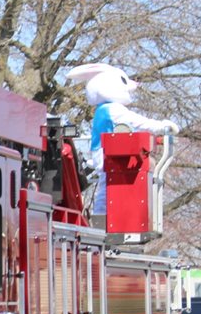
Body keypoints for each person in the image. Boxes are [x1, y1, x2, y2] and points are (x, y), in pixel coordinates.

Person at [65, 63, 180, 219]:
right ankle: (101, 217)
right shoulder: (112, 109)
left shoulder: (103, 109)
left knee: (107, 184)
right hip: (107, 153)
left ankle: (103, 217)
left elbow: (128, 131)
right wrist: (161, 126)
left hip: (104, 152)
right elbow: (136, 121)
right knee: (107, 185)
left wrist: (156, 139)